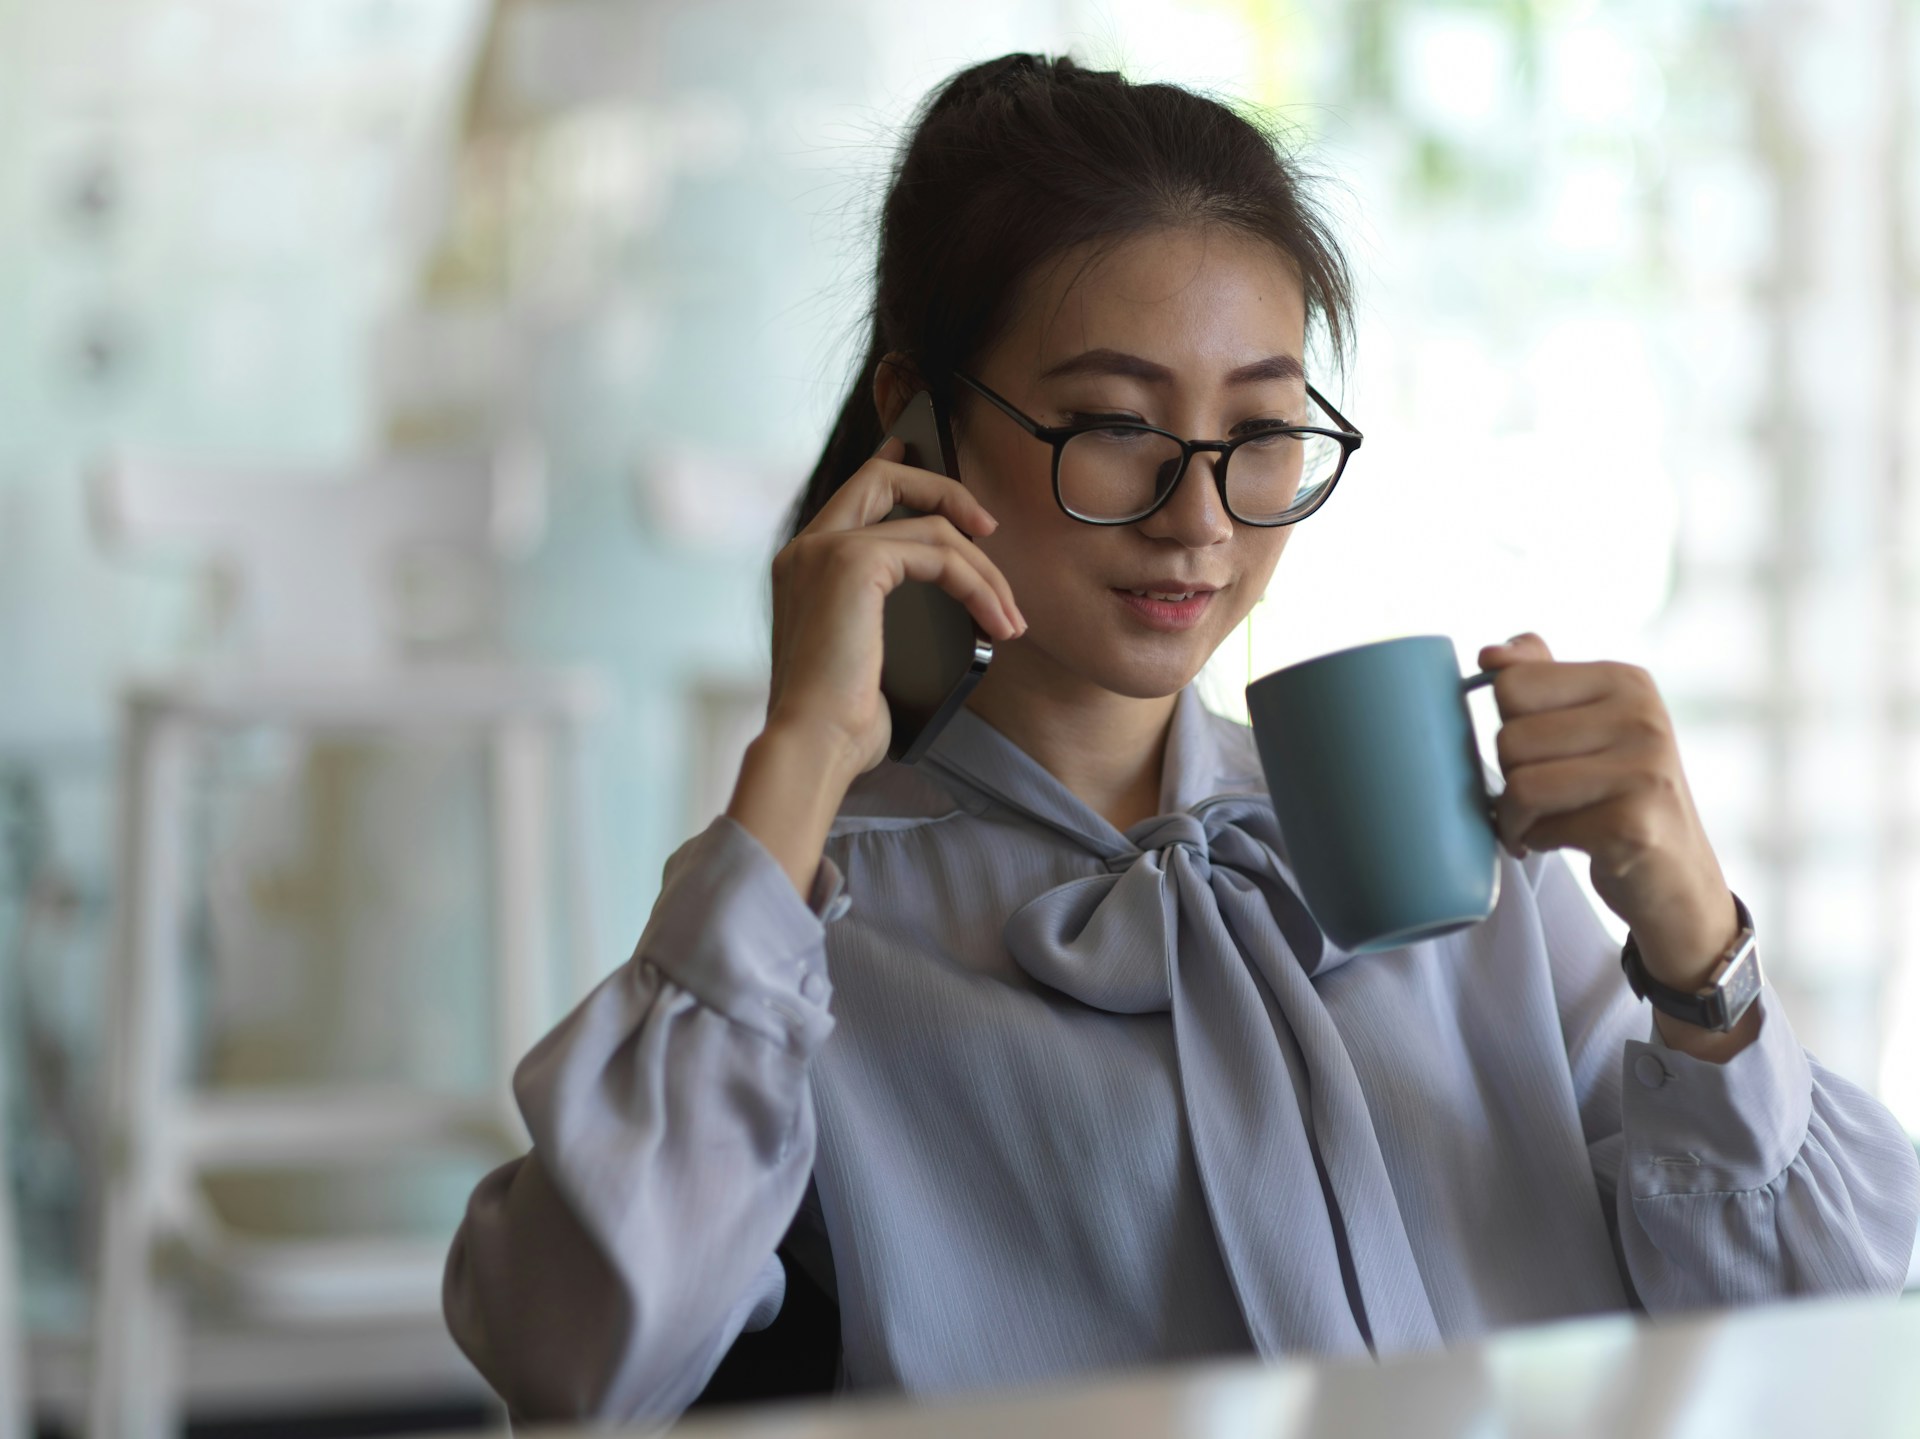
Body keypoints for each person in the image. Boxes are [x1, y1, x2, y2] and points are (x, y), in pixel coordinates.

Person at [442, 52, 1920, 1425]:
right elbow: (586, 1362)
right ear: (920, 411)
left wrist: (1697, 950)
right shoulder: (812, 931)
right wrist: (802, 762)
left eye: (1262, 429)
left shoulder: (1478, 857)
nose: (1200, 519)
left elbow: (1844, 1339)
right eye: (1115, 424)